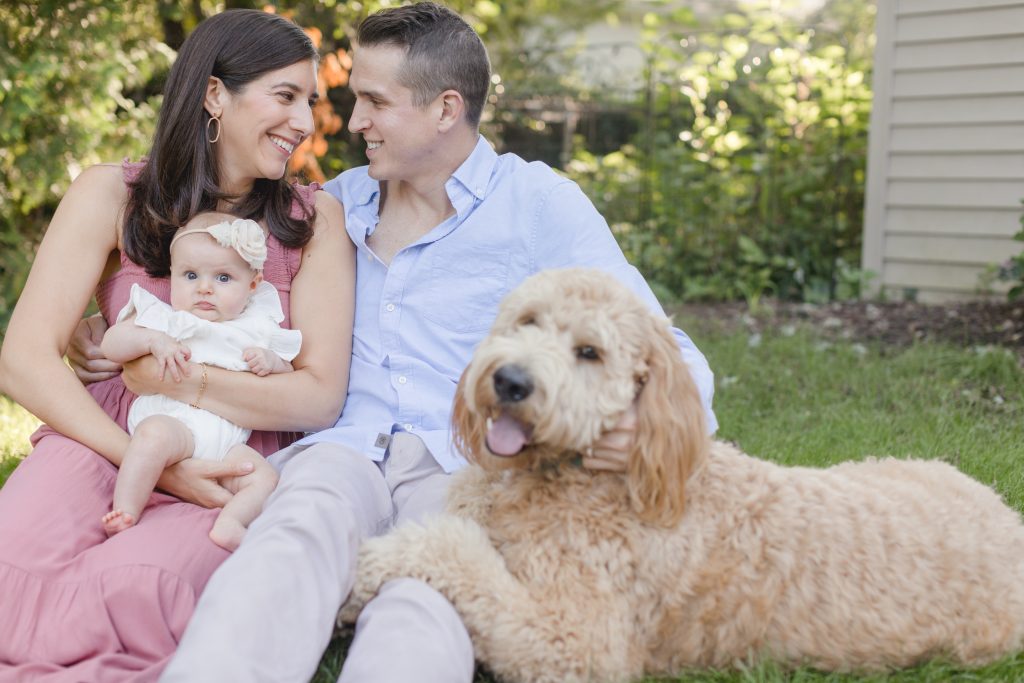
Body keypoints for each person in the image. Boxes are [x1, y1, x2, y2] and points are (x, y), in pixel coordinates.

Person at [158, 4, 718, 683]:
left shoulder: (537, 205)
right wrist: (114, 319)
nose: (353, 120)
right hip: (343, 447)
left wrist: (635, 425)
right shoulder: (333, 206)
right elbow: (219, 274)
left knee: (429, 594)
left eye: (374, 101)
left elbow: (663, 345)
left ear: (446, 108)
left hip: (466, 465)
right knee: (289, 537)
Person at [0, 9, 353, 681]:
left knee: (138, 595)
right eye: (285, 96)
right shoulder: (112, 193)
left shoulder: (314, 222)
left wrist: (180, 389)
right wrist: (146, 458)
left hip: (226, 458)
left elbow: (318, 393)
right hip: (100, 436)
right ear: (215, 94)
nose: (306, 122)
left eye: (309, 101)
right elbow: (23, 359)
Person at [101, 213, 302, 551]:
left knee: (264, 478)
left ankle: (231, 522)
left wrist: (273, 363)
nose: (204, 288)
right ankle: (125, 510)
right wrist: (152, 341)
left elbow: (290, 381)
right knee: (152, 439)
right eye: (190, 275)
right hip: (173, 420)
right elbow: (111, 346)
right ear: (172, 276)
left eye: (223, 278)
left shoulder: (256, 328)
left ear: (253, 285)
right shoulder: (167, 319)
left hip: (225, 435)